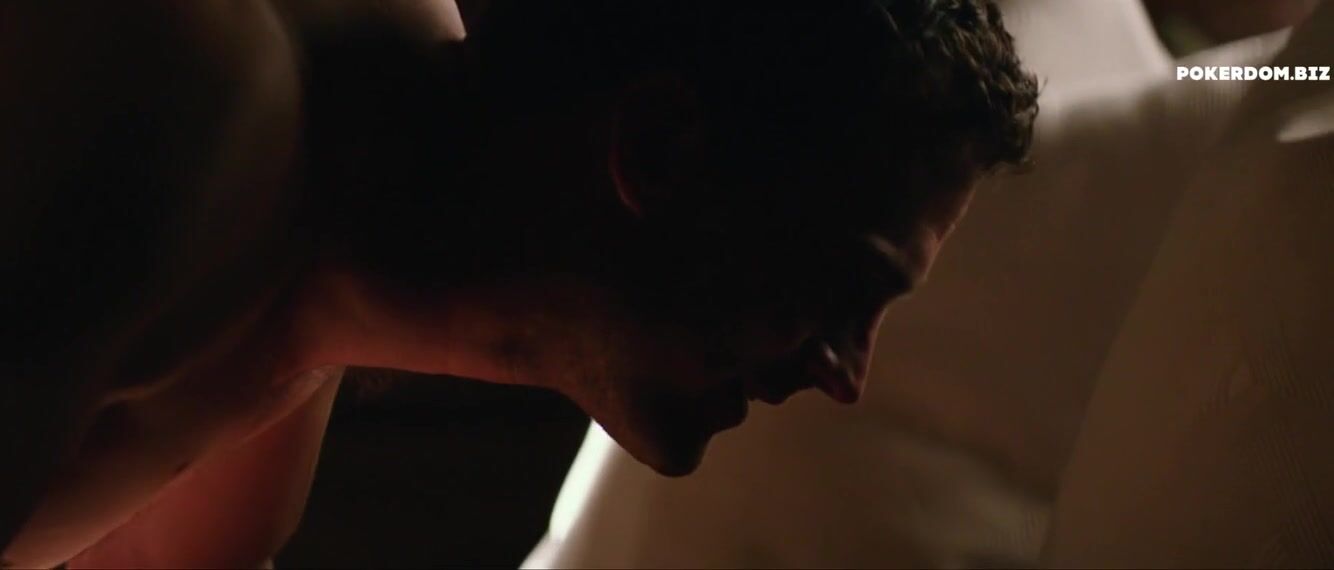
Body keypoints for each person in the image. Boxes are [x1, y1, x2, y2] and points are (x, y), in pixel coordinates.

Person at [0, 0, 1038, 566]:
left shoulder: (346, 197)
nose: (846, 375)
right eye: (845, 283)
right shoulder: (178, 111)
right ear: (661, 150)